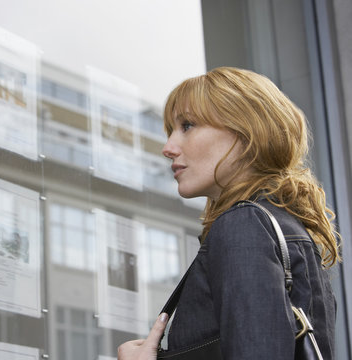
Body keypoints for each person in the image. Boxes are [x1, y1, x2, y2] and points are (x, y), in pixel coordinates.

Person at [118, 67, 340, 359]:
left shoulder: (244, 225)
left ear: (246, 132)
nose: (168, 147)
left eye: (187, 126)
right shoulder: (283, 227)